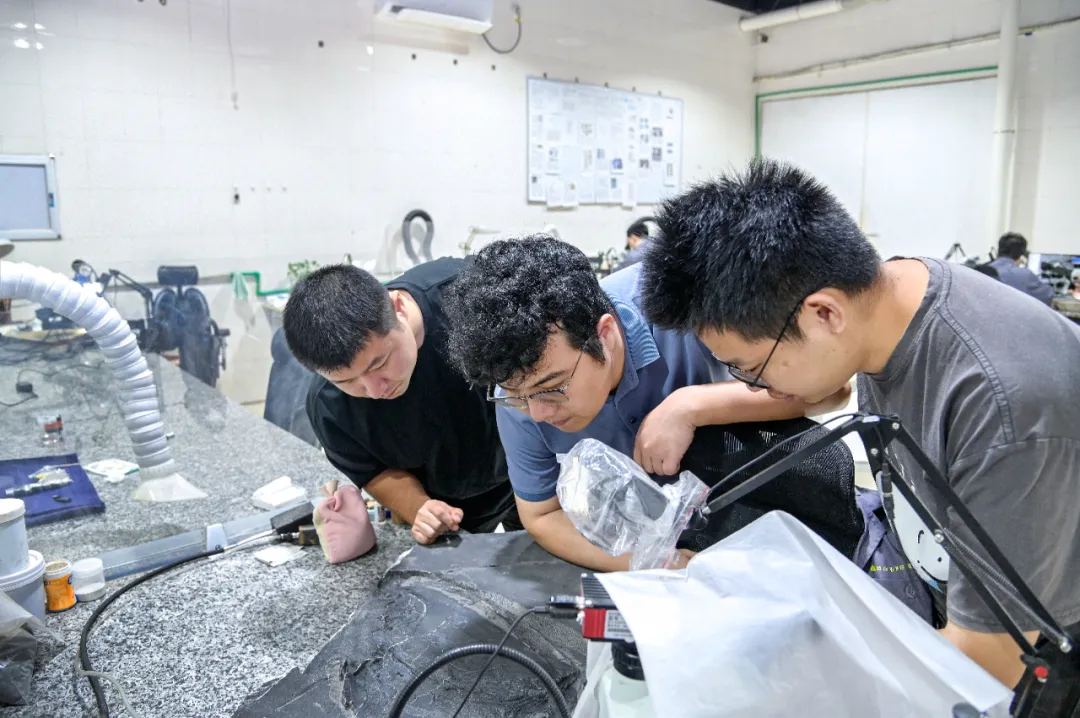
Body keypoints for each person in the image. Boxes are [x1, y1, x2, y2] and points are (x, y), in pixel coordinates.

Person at [639, 158, 1080, 688]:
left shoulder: (1002, 404)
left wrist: (784, 653)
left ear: (824, 314)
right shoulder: (888, 302)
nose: (752, 387)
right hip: (945, 598)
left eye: (751, 367)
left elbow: (989, 664)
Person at [442, 236, 850, 572]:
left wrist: (690, 407)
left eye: (553, 388)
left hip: (763, 516)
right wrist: (650, 562)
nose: (538, 413)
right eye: (517, 396)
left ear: (605, 335)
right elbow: (542, 516)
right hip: (658, 546)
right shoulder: (519, 393)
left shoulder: (682, 304)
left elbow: (832, 390)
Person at [282, 260, 519, 545]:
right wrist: (420, 508)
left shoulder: (474, 296)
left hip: (535, 468)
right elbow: (373, 471)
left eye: (379, 363)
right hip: (450, 505)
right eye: (347, 382)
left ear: (398, 307)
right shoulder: (329, 406)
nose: (373, 389)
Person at [989, 232, 1054, 305]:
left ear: (998, 251)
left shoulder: (980, 270)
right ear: (1021, 256)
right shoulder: (1024, 275)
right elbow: (1048, 296)